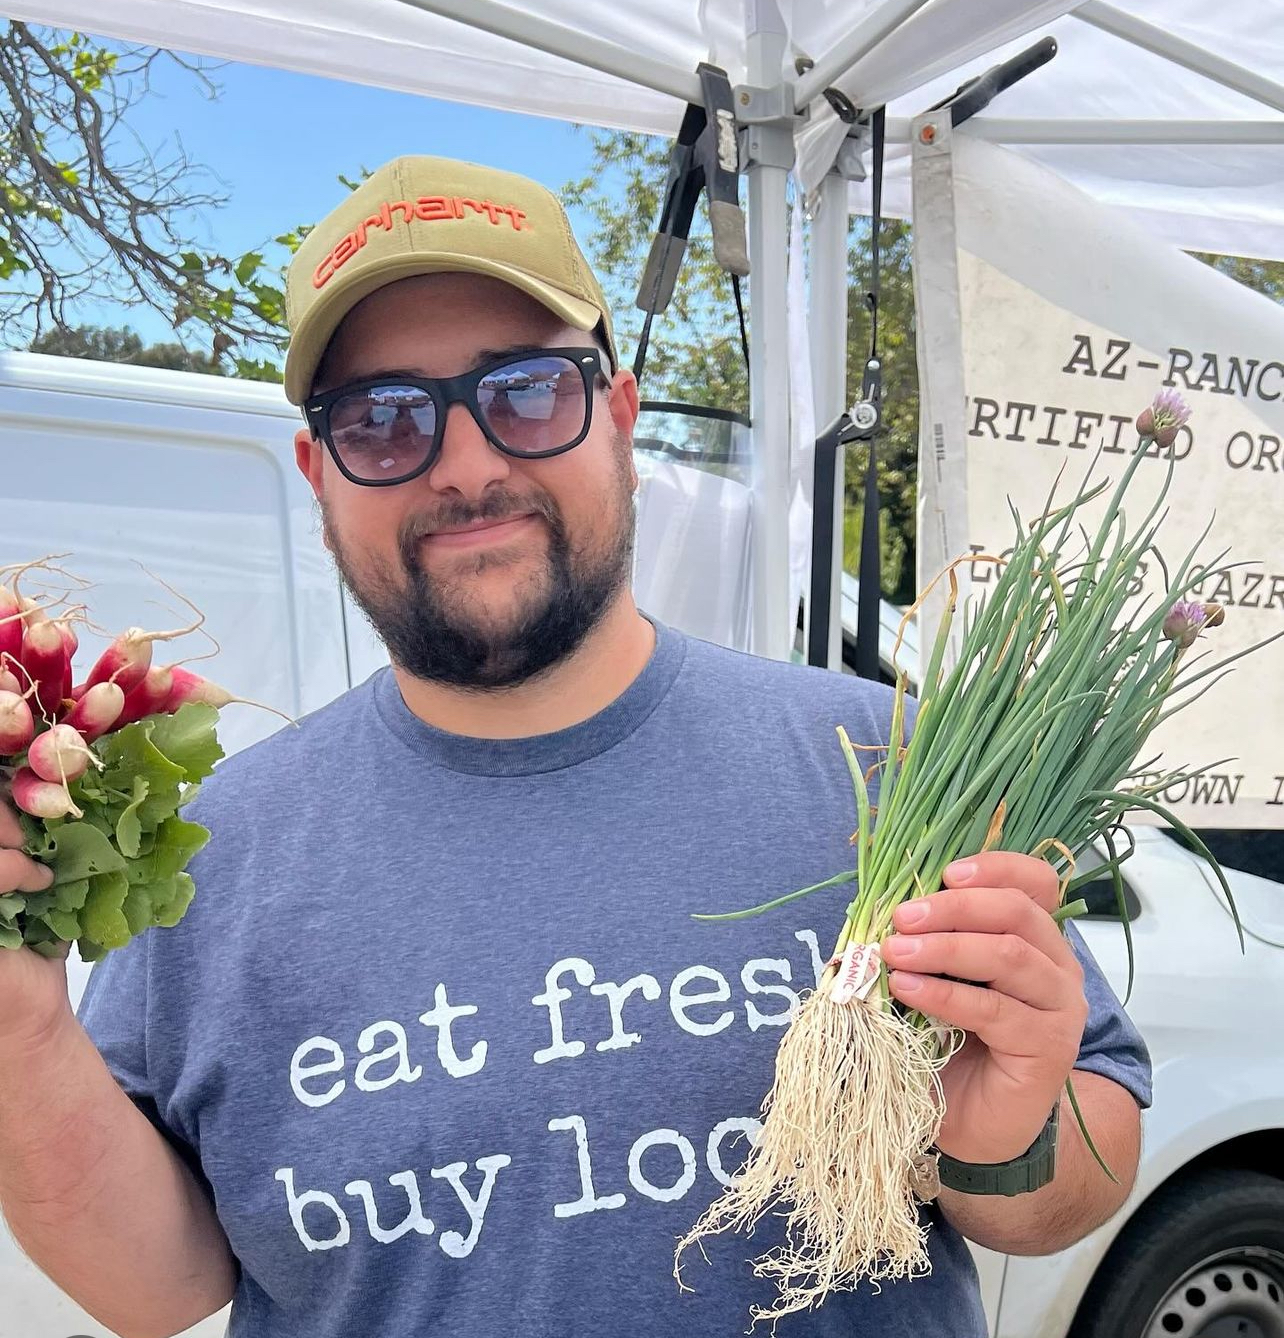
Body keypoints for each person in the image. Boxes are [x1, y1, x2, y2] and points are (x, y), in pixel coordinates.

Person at [0, 155, 1149, 1338]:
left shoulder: (886, 762)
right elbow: (162, 1290)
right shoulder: (215, 852)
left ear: (620, 415)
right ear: (318, 474)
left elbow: (1062, 1188)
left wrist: (1004, 1132)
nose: (466, 463)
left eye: (529, 389)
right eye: (384, 419)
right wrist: (18, 1016)